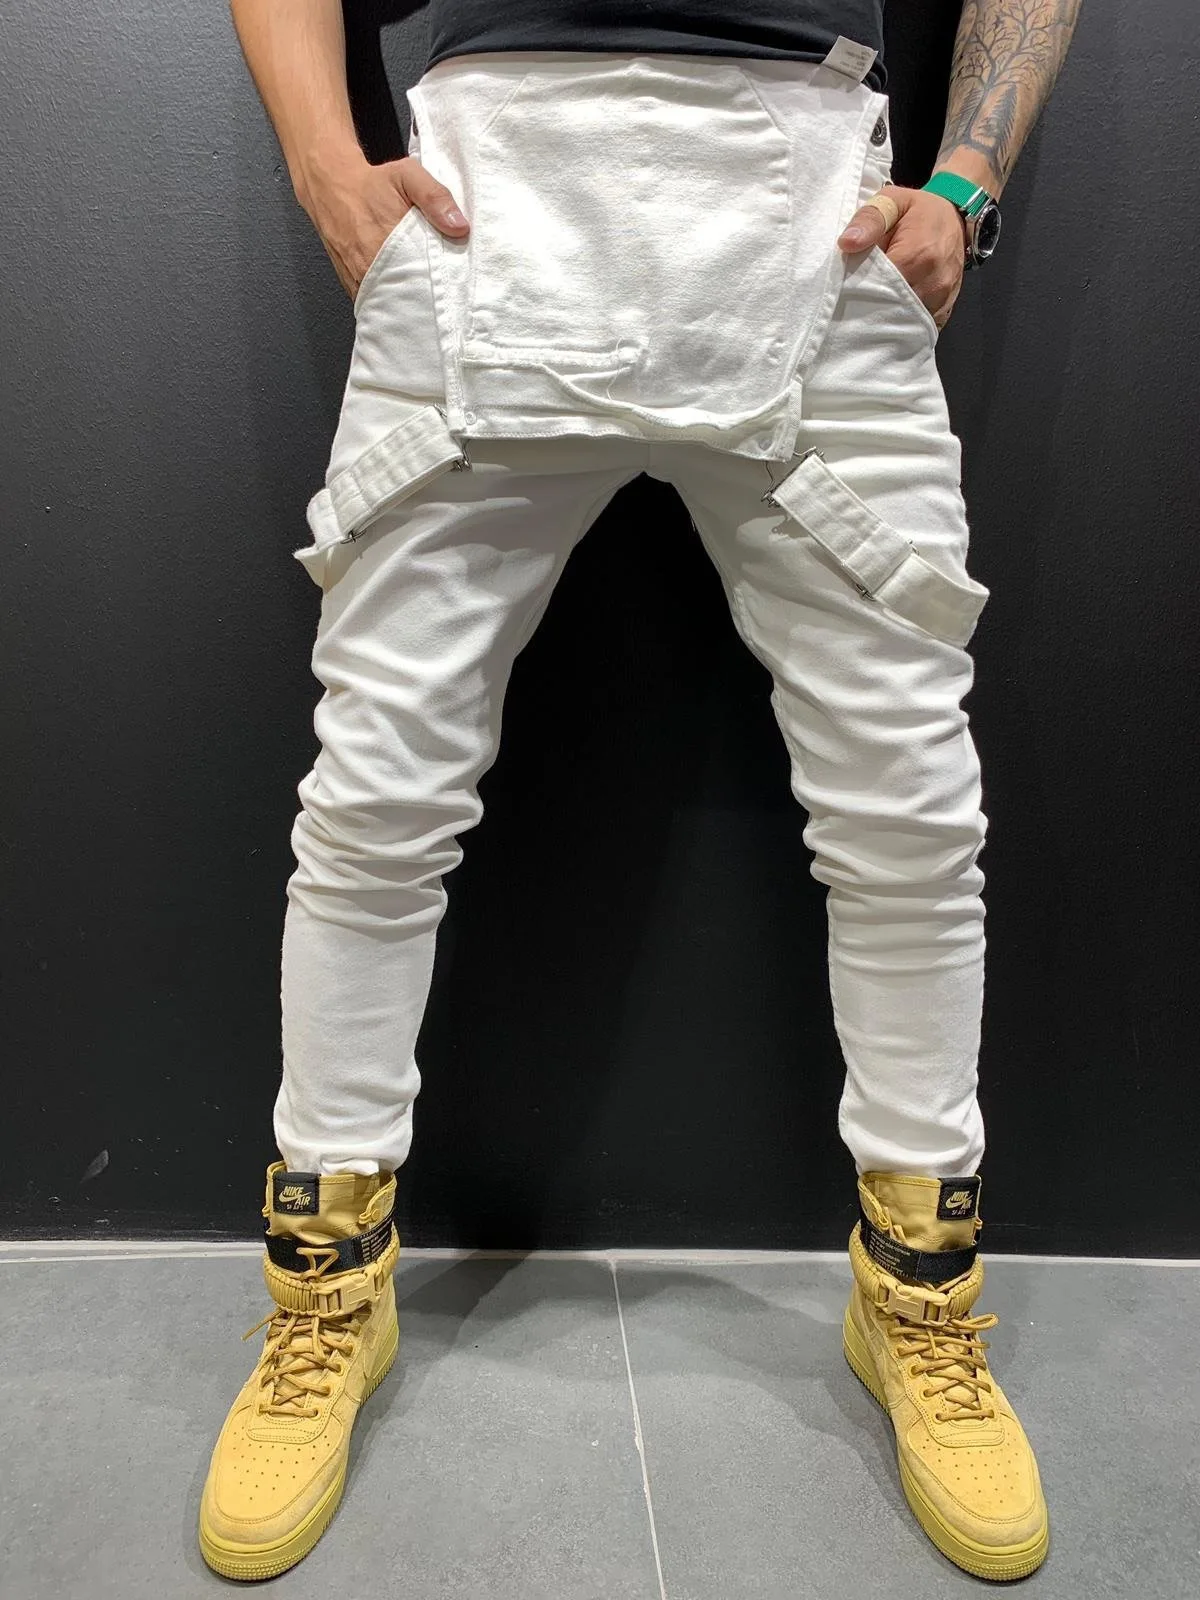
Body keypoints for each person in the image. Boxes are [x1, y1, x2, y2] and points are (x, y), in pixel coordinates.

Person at [199, 0, 1081, 1583]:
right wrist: (329, 166)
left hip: (816, 216)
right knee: (377, 796)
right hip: (487, 207)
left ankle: (919, 1294)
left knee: (908, 814)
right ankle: (327, 1286)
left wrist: (964, 184)